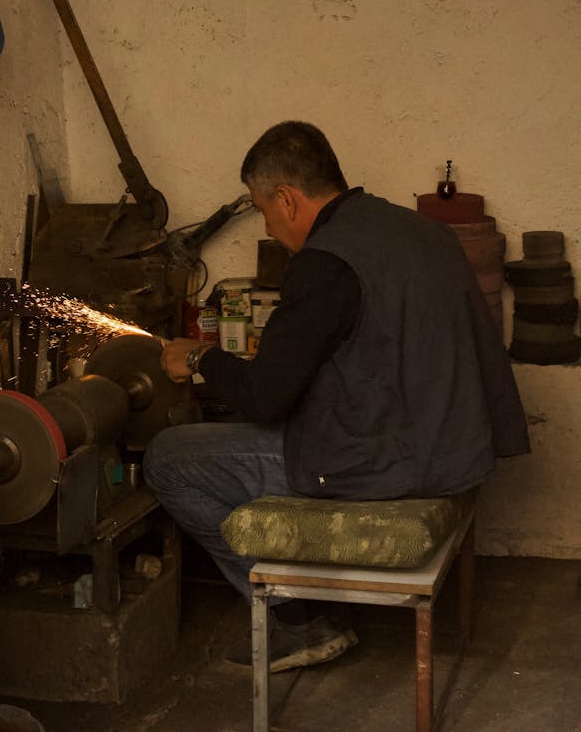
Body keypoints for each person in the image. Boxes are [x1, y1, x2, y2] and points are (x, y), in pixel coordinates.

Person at [144, 121, 529, 673]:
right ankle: (300, 598)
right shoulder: (418, 230)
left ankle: (296, 621)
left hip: (394, 464)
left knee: (170, 458)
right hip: (457, 444)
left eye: (265, 211)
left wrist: (200, 357)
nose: (272, 229)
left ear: (287, 198)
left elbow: (265, 399)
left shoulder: (325, 263)